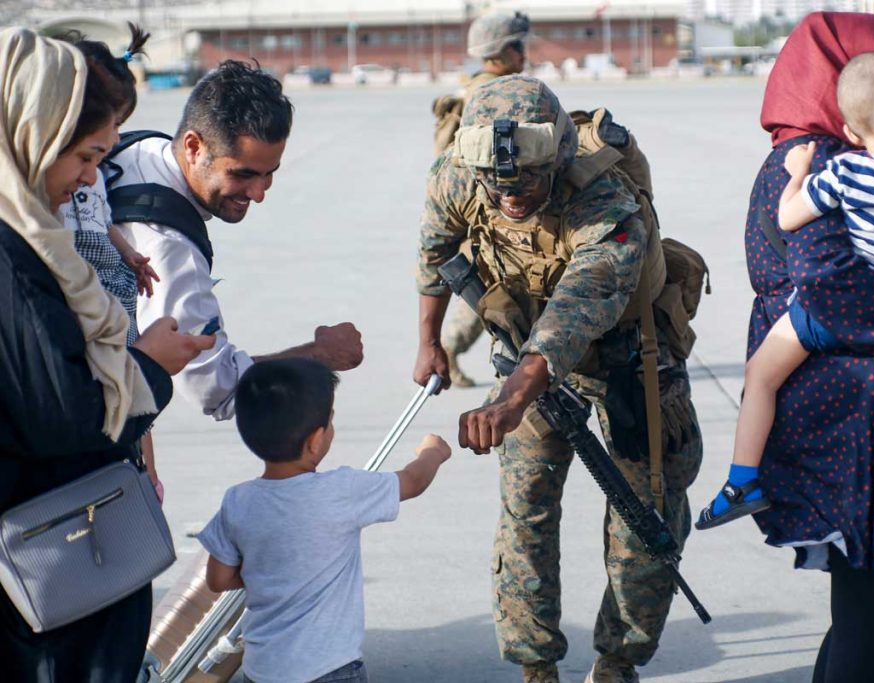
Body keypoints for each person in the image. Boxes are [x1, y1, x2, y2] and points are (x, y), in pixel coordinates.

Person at [414, 75, 702, 683]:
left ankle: (618, 661)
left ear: (560, 160)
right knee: (526, 511)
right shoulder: (459, 173)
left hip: (630, 363)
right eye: (498, 188)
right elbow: (436, 249)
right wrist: (429, 342)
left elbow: (576, 309)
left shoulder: (606, 202)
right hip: (523, 359)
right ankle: (534, 666)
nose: (510, 198)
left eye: (527, 185)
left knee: (644, 515)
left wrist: (512, 399)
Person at [738, 13, 874, 683]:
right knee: (871, 609)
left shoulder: (801, 158)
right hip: (857, 424)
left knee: (865, 609)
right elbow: (838, 288)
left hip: (842, 413)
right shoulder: (829, 166)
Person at [0, 27, 212, 681]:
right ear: (32, 135)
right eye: (85, 157)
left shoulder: (32, 232)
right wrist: (149, 364)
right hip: (48, 575)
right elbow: (63, 416)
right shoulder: (13, 256)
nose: (92, 180)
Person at [697, 50, 874, 530]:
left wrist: (798, 174)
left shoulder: (845, 171)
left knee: (761, 373)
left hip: (834, 316)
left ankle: (742, 481)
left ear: (850, 133)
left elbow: (787, 220)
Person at [109, 60, 364, 421]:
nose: (258, 193)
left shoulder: (142, 148)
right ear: (193, 146)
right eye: (242, 174)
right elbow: (215, 388)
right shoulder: (167, 247)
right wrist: (320, 354)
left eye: (268, 174)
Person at [197, 358, 451, 683]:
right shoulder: (341, 490)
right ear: (315, 440)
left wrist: (272, 574)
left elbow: (218, 580)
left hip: (263, 670)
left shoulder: (238, 501)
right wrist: (432, 452)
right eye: (330, 421)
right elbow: (412, 482)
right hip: (331, 670)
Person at [57, 23, 169, 501]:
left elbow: (102, 222)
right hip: (82, 273)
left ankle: (143, 466)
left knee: (128, 363)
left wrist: (131, 256)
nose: (110, 145)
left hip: (109, 273)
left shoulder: (93, 175)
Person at [431, 10, 531, 387]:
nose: (524, 54)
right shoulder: (492, 95)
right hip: (487, 211)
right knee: (489, 293)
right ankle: (449, 350)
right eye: (517, 46)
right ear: (500, 53)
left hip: (479, 209)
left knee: (488, 290)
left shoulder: (478, 86)